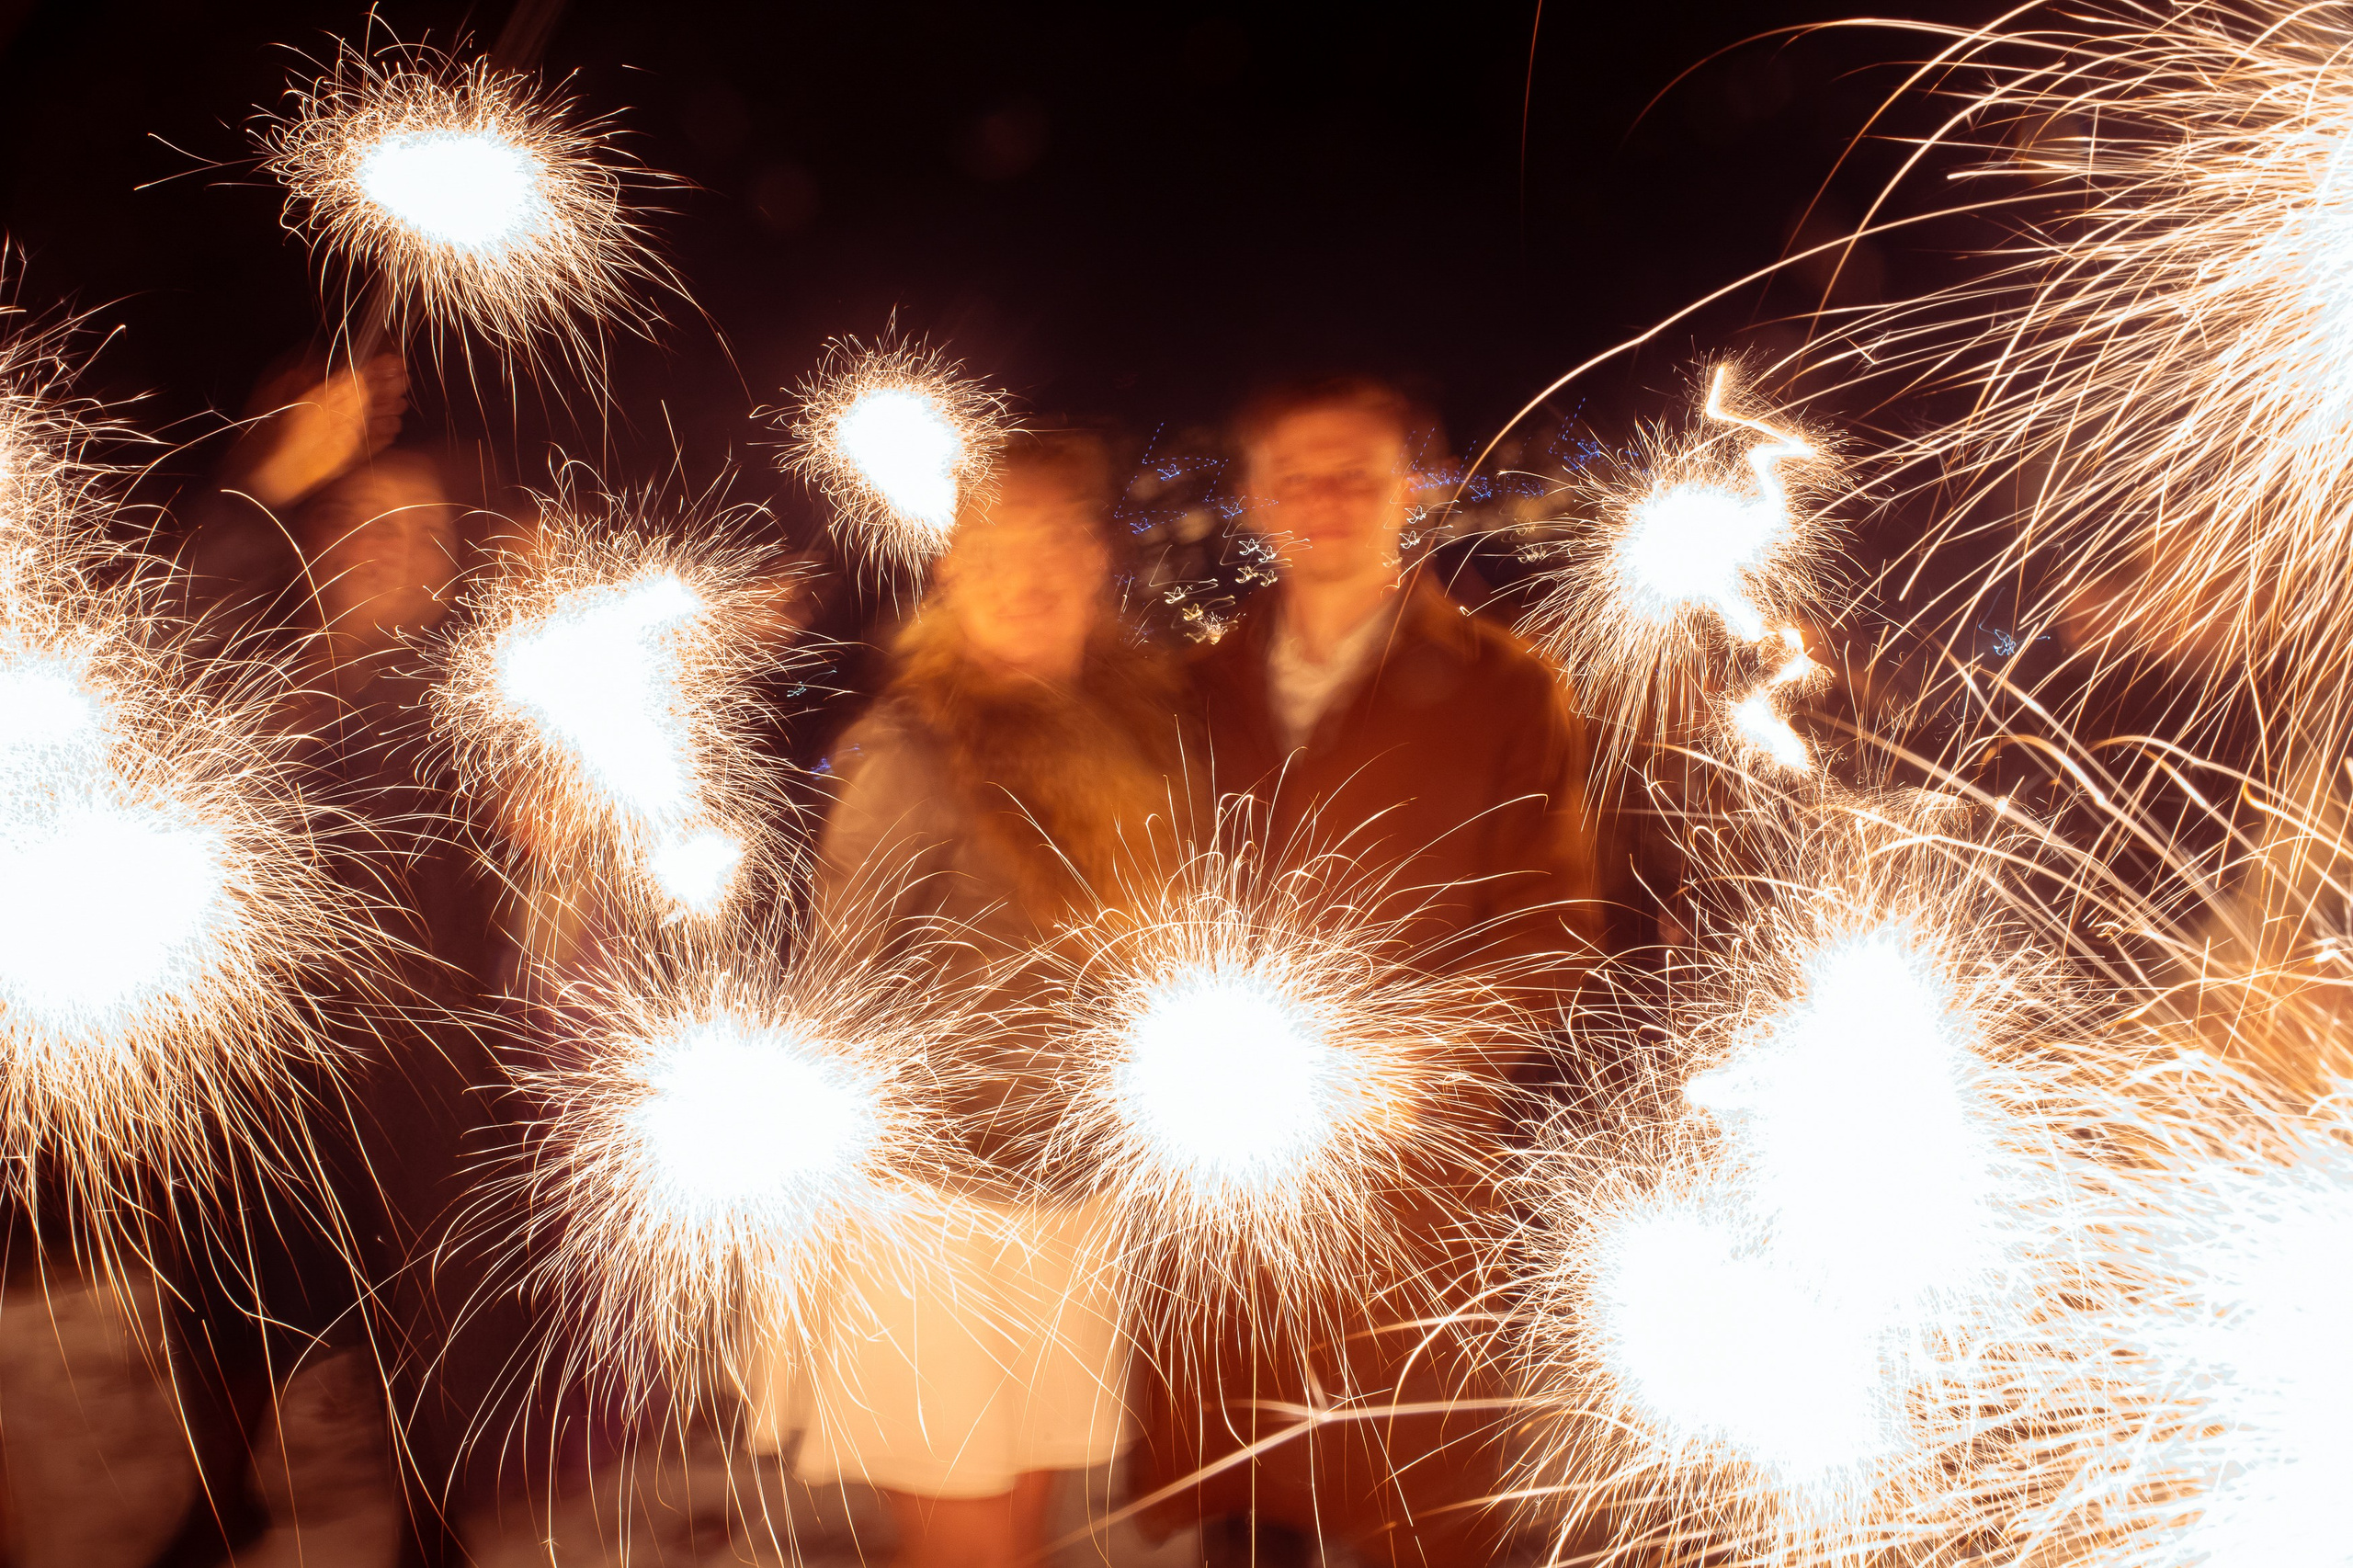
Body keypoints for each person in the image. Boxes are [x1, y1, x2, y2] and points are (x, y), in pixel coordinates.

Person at [1134, 375, 1604, 1568]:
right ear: (1254, 498)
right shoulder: (1191, 692)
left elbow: (1552, 925)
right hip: (1227, 1190)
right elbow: (1133, 900)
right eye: (1297, 473)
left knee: (1405, 1493)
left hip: (1411, 1193)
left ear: (1412, 490)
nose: (1327, 499)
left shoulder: (1506, 687)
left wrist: (1417, 1050)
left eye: (1357, 471)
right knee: (1246, 1507)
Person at [747, 429, 1182, 1568]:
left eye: (1054, 539)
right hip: (932, 1223)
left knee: (1021, 1535)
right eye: (993, 546)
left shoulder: (1142, 735)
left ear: (1095, 556)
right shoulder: (910, 747)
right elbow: (833, 997)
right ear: (948, 568)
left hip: (1068, 1200)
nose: (1028, 571)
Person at [151, 358, 520, 1568]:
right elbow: (173, 638)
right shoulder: (259, 677)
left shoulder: (456, 706)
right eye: (365, 519)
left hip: (407, 1073)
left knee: (417, 1316)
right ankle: (225, 1499)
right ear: (320, 538)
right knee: (225, 1301)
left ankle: (430, 1526)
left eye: (423, 531)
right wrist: (270, 478)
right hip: (256, 1059)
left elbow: (527, 793)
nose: (392, 548)